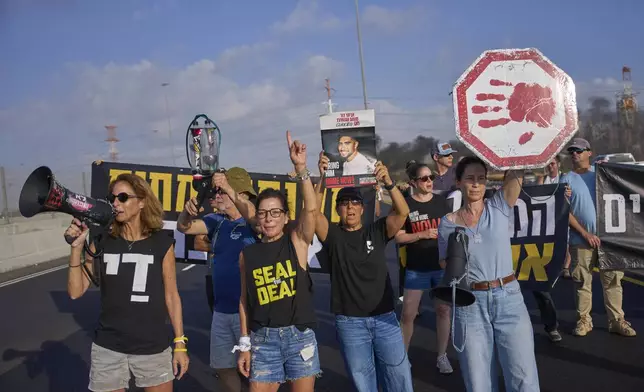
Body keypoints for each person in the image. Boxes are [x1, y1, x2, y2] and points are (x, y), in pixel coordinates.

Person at [65, 173, 189, 392]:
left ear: (141, 202)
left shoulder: (162, 243)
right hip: (108, 349)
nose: (115, 203)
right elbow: (75, 292)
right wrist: (76, 249)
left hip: (152, 348)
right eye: (112, 198)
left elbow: (171, 296)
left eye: (123, 197)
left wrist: (180, 343)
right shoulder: (102, 241)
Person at [437, 156, 539, 392]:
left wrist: (514, 147)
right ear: (458, 181)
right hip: (470, 304)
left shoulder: (499, 206)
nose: (476, 184)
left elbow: (516, 175)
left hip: (509, 298)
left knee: (523, 376)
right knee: (478, 380)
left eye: (481, 179)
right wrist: (454, 258)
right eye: (470, 179)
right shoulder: (447, 223)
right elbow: (444, 264)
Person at [315, 153, 413, 392]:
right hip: (350, 323)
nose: (350, 207)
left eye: (355, 203)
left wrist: (389, 183)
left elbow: (402, 213)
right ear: (337, 209)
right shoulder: (333, 236)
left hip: (385, 317)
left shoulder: (377, 230)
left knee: (398, 376)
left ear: (362, 208)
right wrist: (321, 177)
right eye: (344, 203)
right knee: (363, 381)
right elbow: (313, 214)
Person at [235, 131, 321, 391]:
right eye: (263, 213)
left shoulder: (297, 241)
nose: (269, 218)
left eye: (275, 212)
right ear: (258, 220)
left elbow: (312, 209)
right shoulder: (247, 255)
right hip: (263, 340)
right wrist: (245, 345)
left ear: (286, 217)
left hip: (300, 338)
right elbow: (244, 301)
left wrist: (301, 168)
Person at [177, 168, 258, 392]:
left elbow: (252, 215)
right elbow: (183, 227)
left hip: (251, 311)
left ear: (238, 193)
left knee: (257, 370)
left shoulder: (256, 221)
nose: (216, 197)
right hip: (221, 311)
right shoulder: (217, 221)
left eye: (220, 192)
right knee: (224, 368)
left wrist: (229, 189)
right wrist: (187, 213)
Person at [565, 138, 636, 337]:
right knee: (582, 282)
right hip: (581, 240)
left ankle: (617, 321)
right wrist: (585, 233)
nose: (575, 154)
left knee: (613, 281)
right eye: (572, 151)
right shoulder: (566, 179)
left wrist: (610, 168)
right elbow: (565, 211)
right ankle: (584, 321)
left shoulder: (603, 175)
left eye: (579, 150)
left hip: (609, 240)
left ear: (590, 153)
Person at [395, 162, 453, 373]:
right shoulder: (405, 205)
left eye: (431, 177)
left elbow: (452, 233)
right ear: (413, 182)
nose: (429, 181)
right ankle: (402, 357)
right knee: (408, 314)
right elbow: (398, 238)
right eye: (424, 178)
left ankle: (442, 356)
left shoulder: (442, 204)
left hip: (439, 267)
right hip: (416, 267)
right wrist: (421, 234)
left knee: (443, 311)